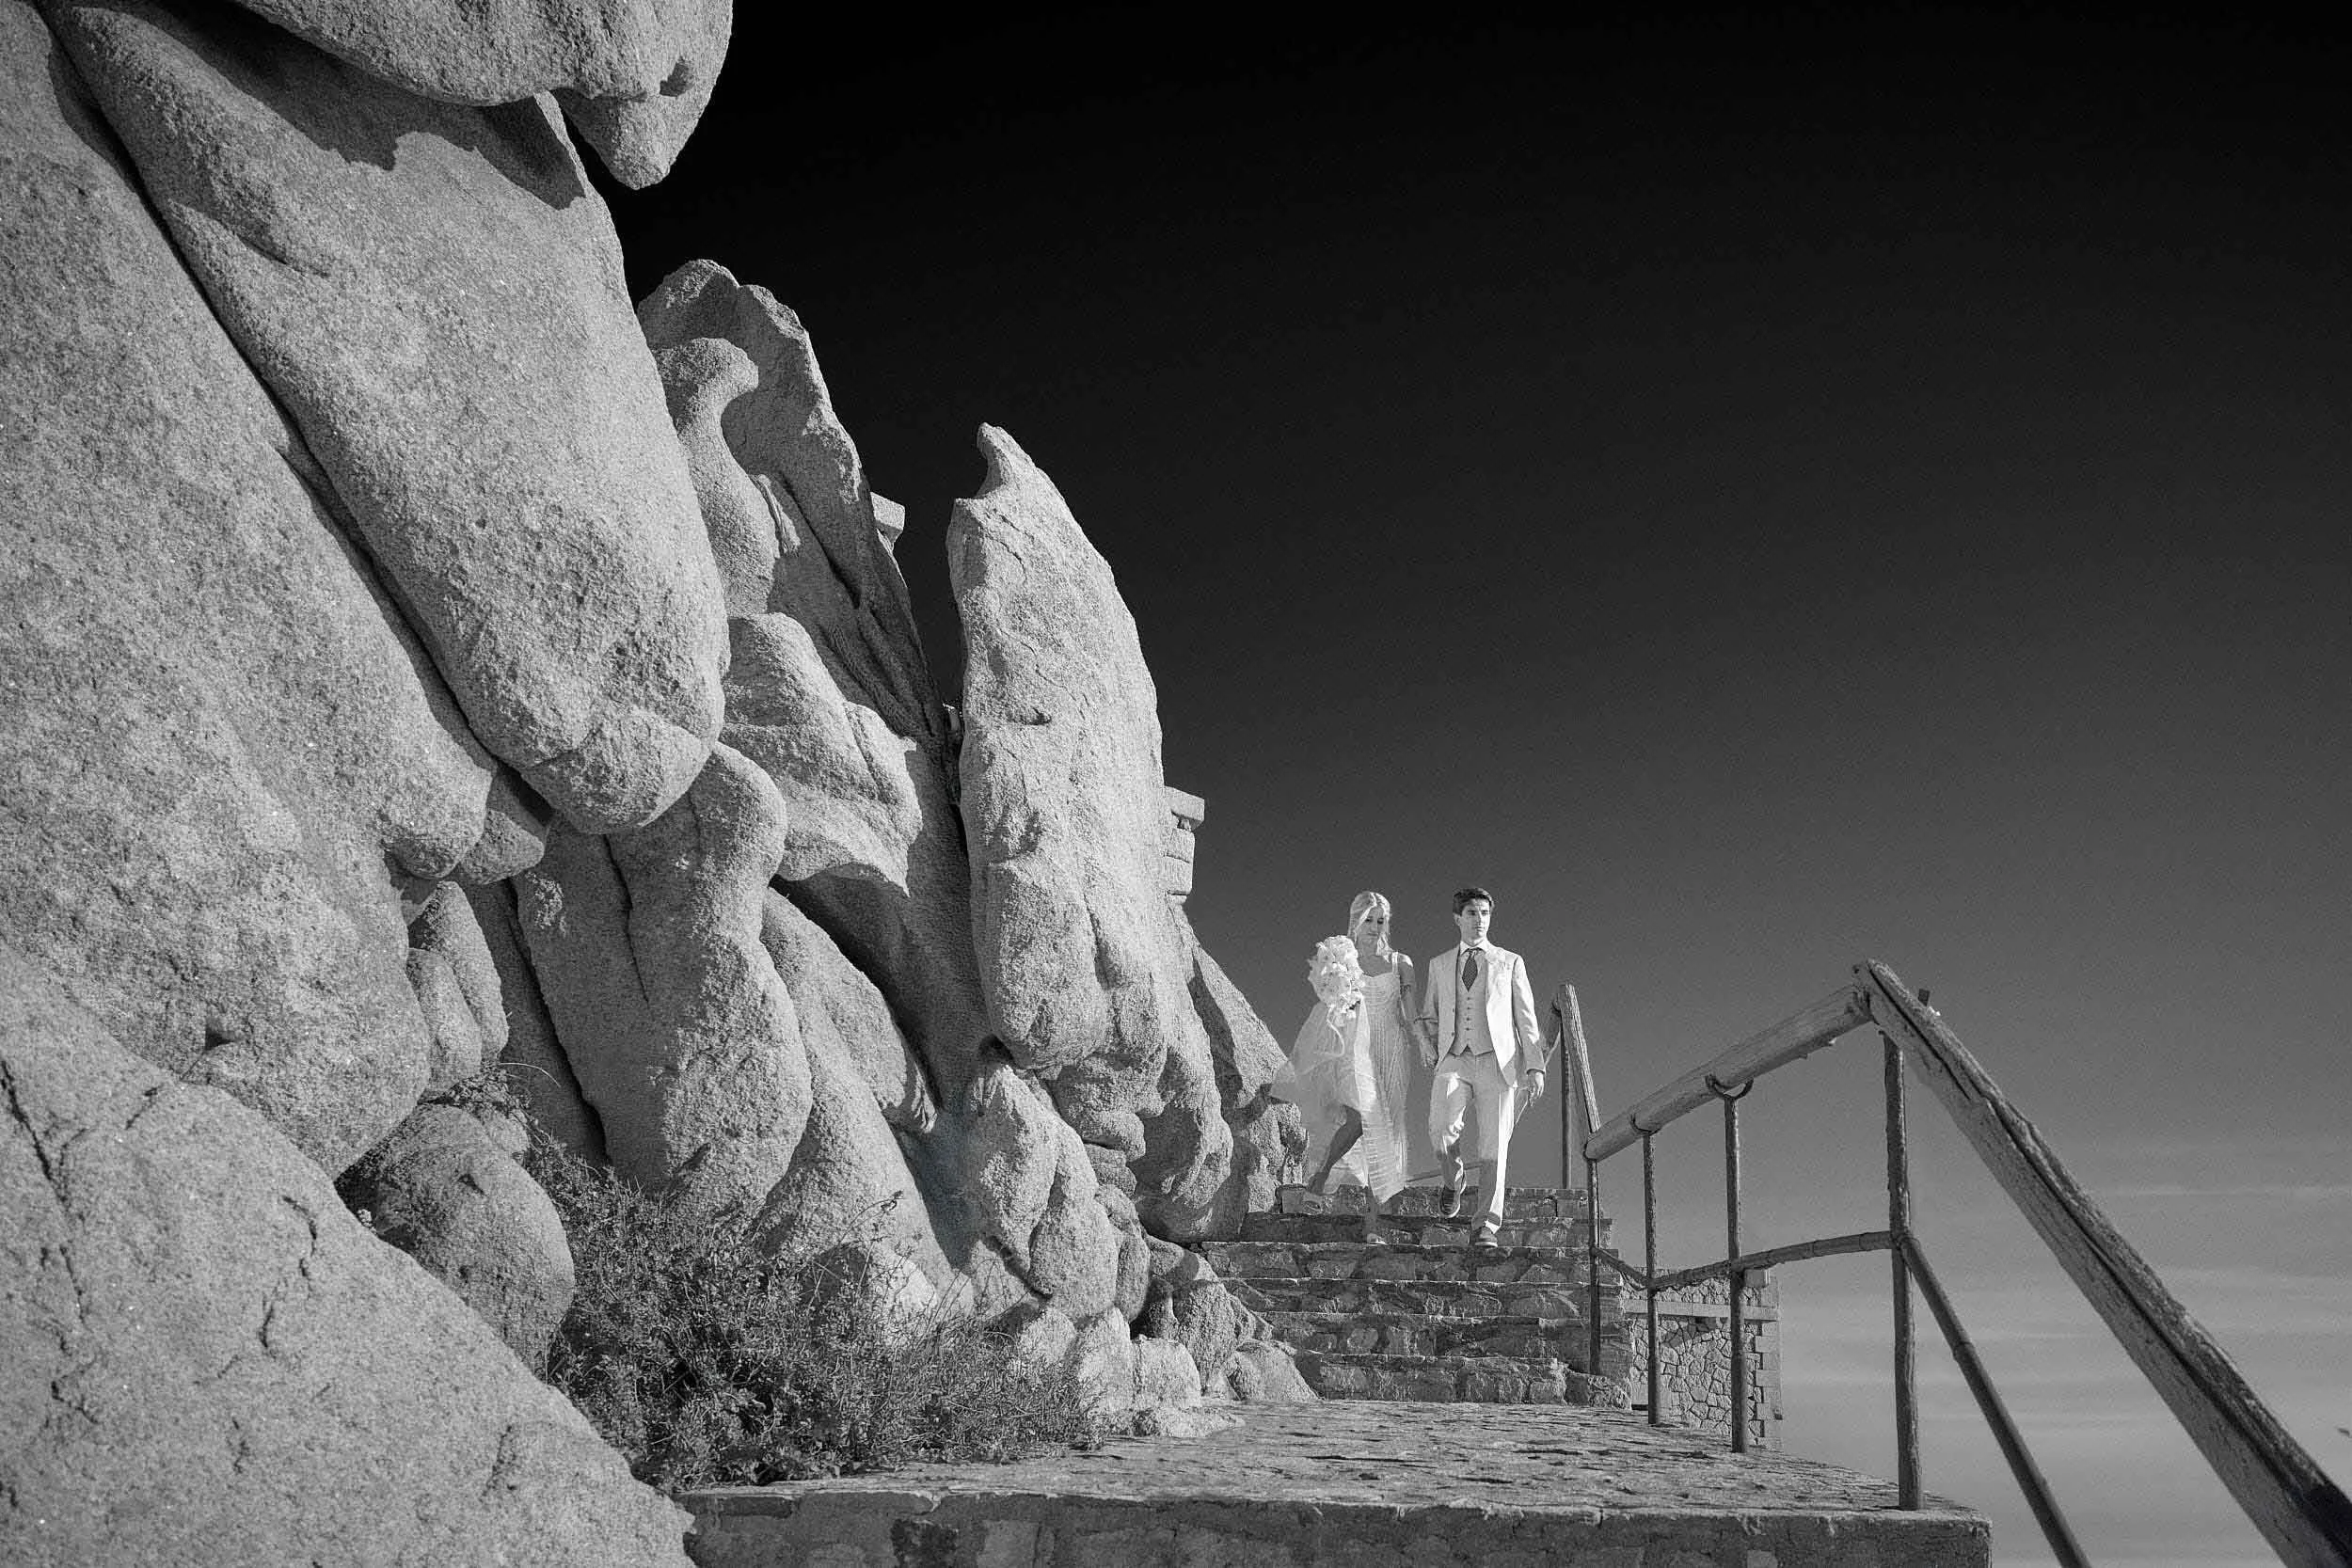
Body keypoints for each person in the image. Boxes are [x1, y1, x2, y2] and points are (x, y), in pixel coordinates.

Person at [1282, 892, 1420, 1243]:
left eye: (1380, 920)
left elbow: (1409, 1013)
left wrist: (1427, 1041)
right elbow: (1331, 1005)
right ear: (1356, 921)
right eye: (1368, 920)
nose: (1374, 928)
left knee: (1383, 1134)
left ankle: (1372, 1226)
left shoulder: (1401, 962)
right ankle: (1321, 1175)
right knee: (1362, 1120)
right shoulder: (1342, 958)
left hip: (1390, 1051)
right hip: (1354, 1048)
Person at [1416, 885, 1546, 1248]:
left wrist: (1535, 1066)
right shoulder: (1439, 965)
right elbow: (1429, 1014)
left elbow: (1526, 1018)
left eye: (1485, 914)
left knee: (1494, 1147)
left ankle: (1486, 1226)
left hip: (1498, 1061)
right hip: (1454, 1058)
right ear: (1458, 918)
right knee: (1440, 1127)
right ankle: (1453, 1179)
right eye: (1472, 913)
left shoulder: (1510, 961)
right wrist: (1426, 1043)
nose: (1479, 921)